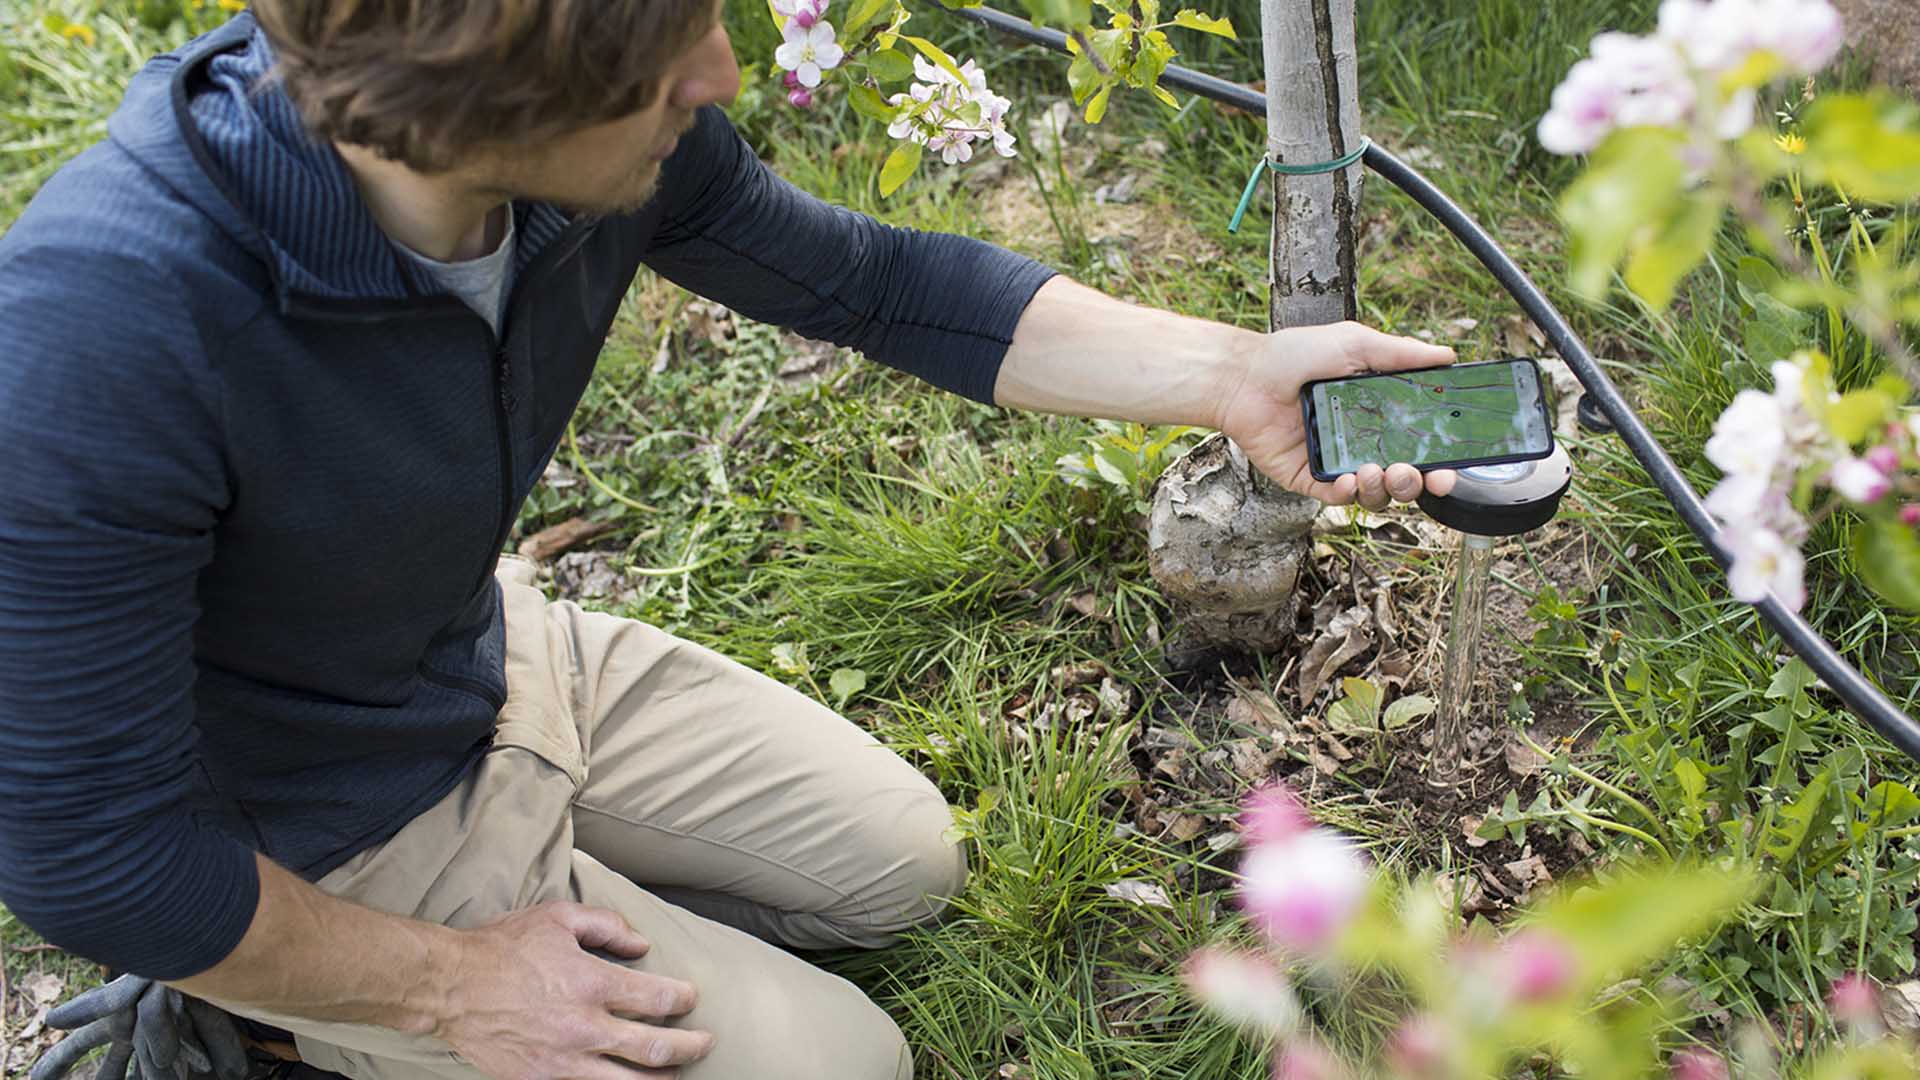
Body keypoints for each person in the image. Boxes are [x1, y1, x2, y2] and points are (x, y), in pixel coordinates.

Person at [0, 3, 1455, 1079]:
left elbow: (879, 284)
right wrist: (451, 989)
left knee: (903, 866)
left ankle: (529, 877)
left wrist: (1231, 377)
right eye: (669, 51)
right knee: (849, 1065)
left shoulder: (584, 149)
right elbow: (91, 856)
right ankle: (248, 1013)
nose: (722, 74)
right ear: (479, 92)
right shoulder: (100, 341)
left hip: (477, 657)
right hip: (306, 828)